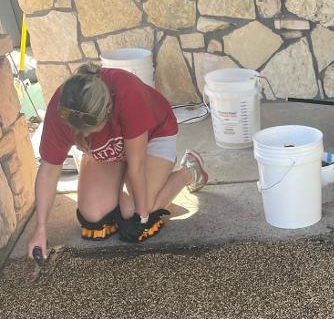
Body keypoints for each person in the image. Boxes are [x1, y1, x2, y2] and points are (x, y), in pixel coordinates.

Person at [27, 63, 208, 257]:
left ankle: (189, 171)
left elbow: (137, 166)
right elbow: (49, 170)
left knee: (131, 213)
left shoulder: (127, 92)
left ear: (108, 109)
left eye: (88, 131)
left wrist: (142, 216)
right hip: (111, 152)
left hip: (153, 137)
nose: (83, 136)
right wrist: (41, 229)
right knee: (93, 217)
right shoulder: (62, 108)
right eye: (78, 131)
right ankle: (122, 183)